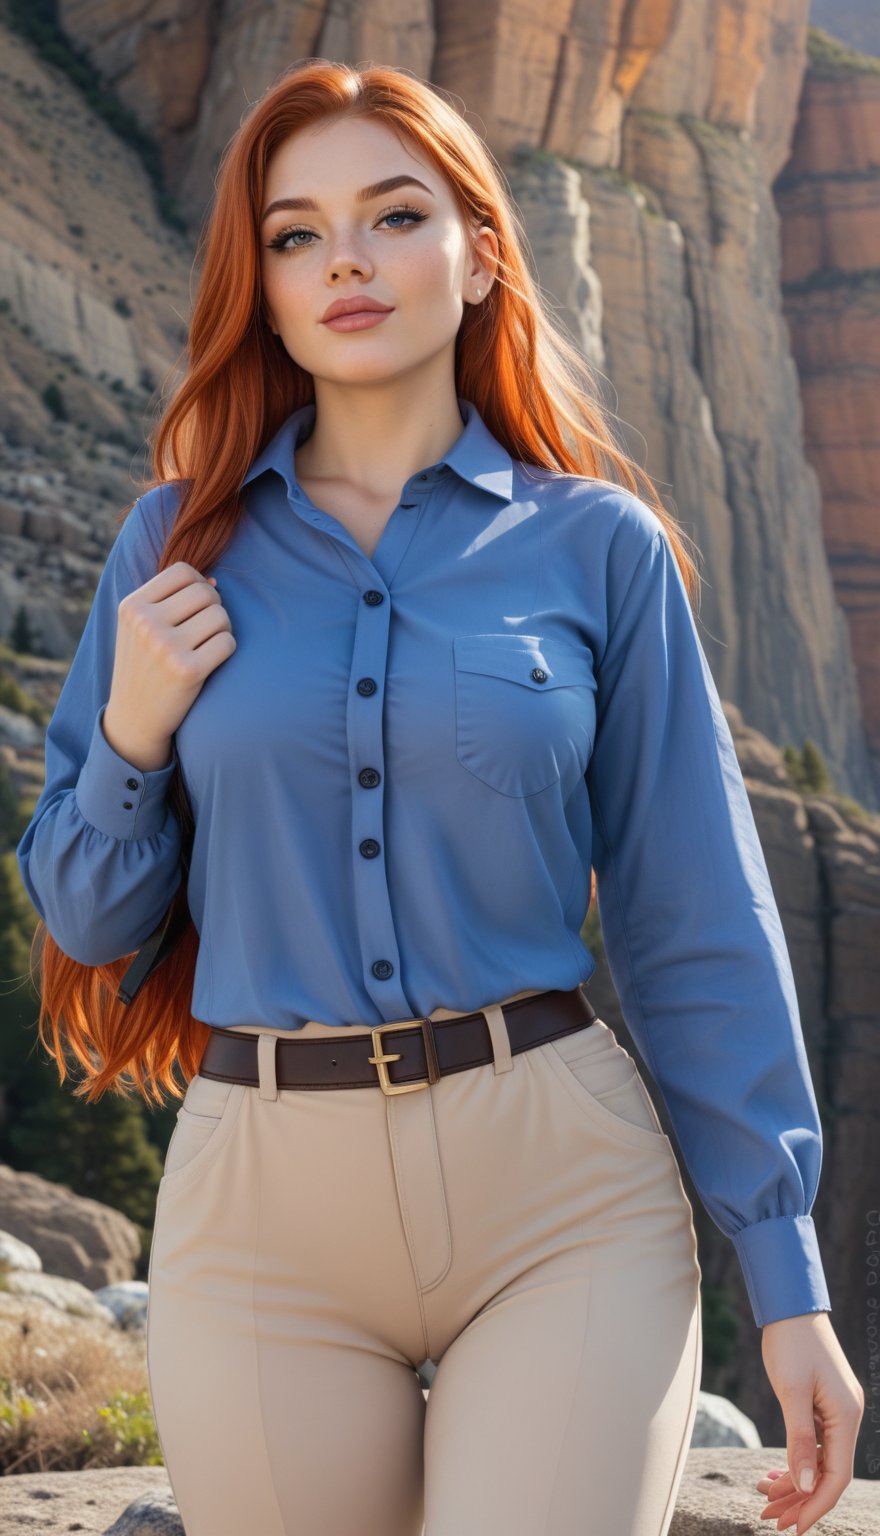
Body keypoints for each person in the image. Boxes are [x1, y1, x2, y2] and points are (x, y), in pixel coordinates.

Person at [15, 58, 863, 1536]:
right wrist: (137, 737)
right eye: (295, 234)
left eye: (392, 216)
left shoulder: (601, 550)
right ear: (262, 286)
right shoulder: (175, 543)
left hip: (562, 1199)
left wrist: (784, 1281)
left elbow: (693, 909)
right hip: (263, 1211)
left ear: (479, 255)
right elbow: (90, 912)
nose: (343, 258)